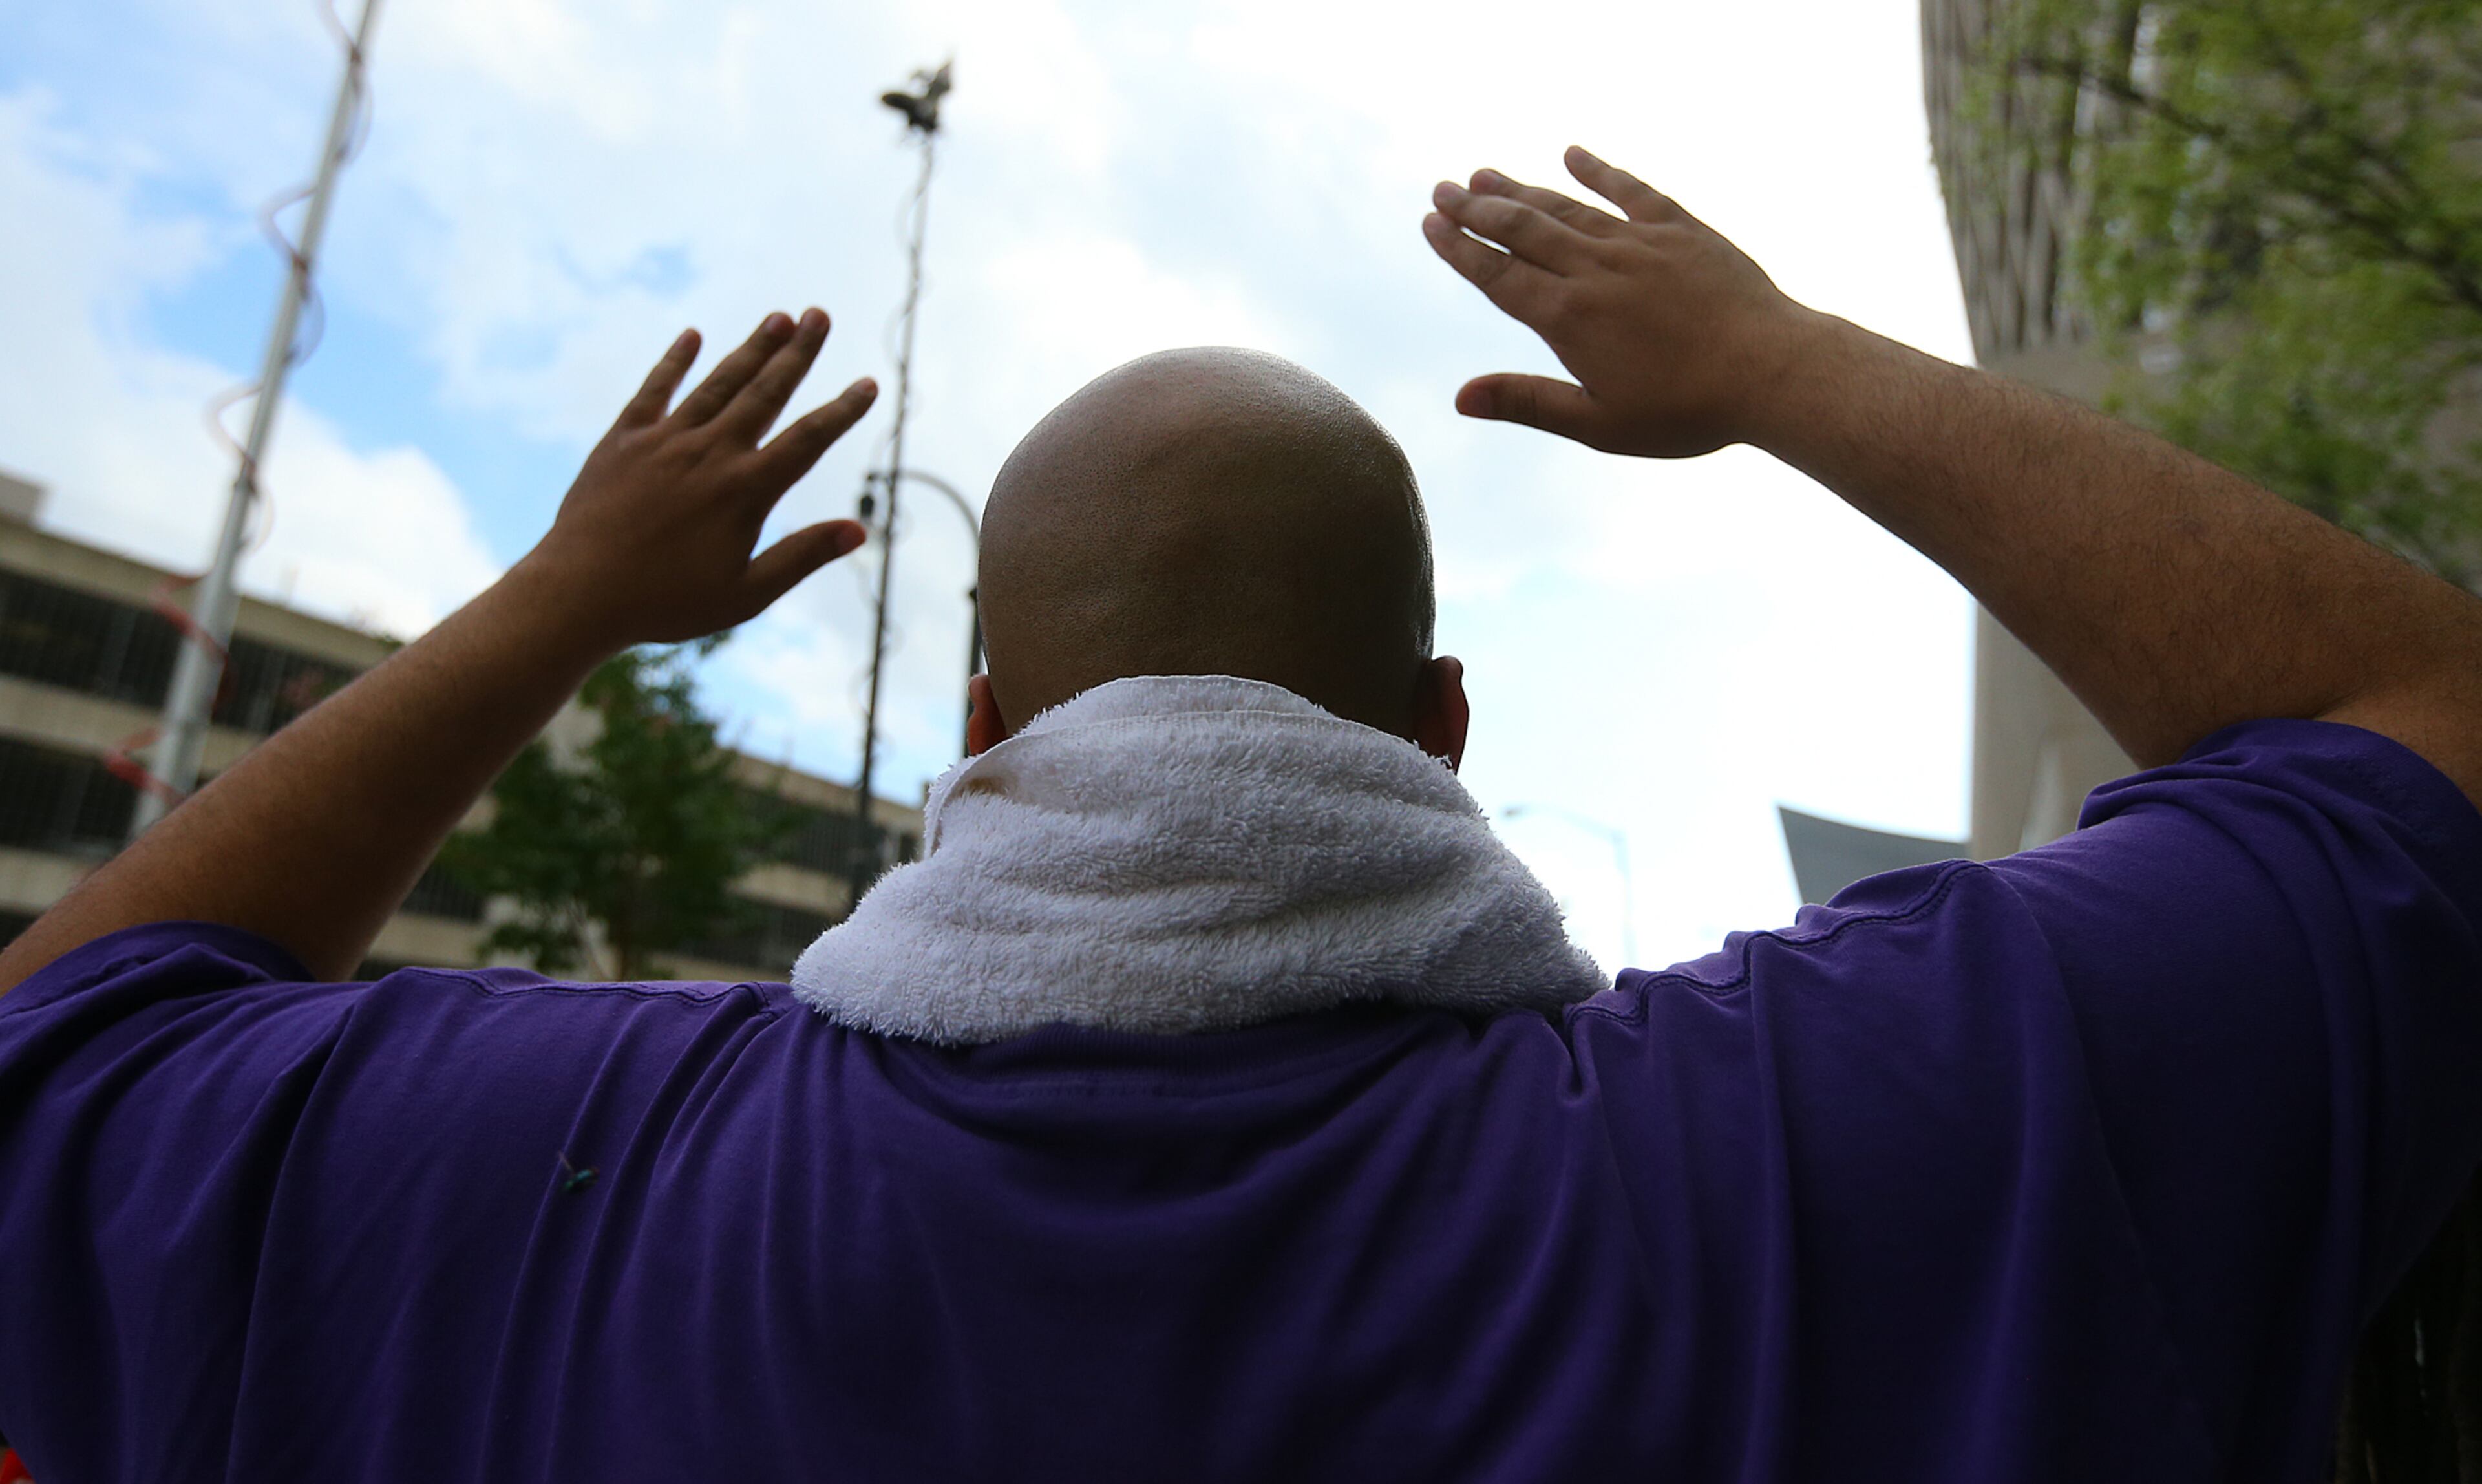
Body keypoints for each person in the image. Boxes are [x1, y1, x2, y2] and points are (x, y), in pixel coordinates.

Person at [0, 148, 2474, 1482]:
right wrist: (1785, 369)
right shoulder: (1866, 1142)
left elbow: (71, 1035)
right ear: (1440, 721)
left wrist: (558, 604)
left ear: (984, 720)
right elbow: (2420, 712)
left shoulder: (527, 1181)